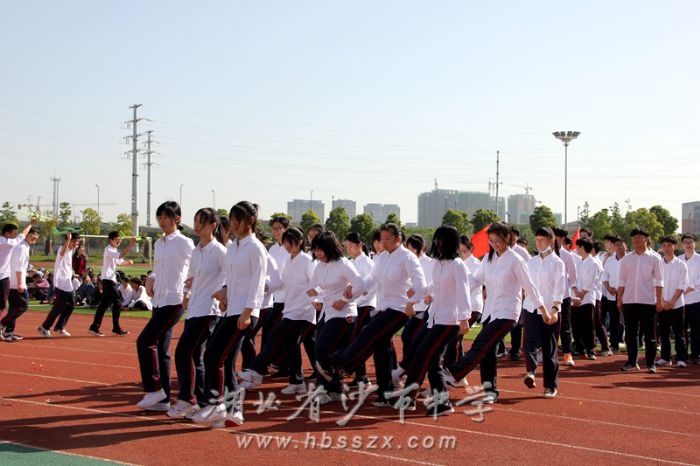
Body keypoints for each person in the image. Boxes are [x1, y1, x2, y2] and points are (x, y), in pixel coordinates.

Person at [324, 223, 426, 407]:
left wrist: (412, 302)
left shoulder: (407, 257)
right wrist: (352, 292)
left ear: (398, 239)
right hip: (384, 307)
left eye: (387, 239)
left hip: (399, 308)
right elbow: (370, 280)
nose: (383, 242)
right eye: (382, 239)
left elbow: (420, 282)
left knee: (367, 333)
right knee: (381, 348)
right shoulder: (381, 258)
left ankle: (339, 364)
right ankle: (385, 394)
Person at [445, 223, 547, 403]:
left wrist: (543, 309)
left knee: (480, 344)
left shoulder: (516, 260)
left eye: (498, 240)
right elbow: (475, 280)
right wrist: (455, 291)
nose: (494, 244)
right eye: (491, 241)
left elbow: (530, 286)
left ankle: (453, 374)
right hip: (490, 311)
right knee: (487, 352)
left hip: (508, 312)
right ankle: (490, 392)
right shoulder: (488, 258)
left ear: (507, 238)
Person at [192, 201, 267, 427]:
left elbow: (258, 283)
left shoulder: (256, 249)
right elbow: (233, 278)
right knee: (225, 361)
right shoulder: (233, 247)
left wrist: (247, 312)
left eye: (237, 221)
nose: (232, 225)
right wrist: (225, 292)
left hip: (244, 313)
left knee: (212, 355)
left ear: (250, 221)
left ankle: (216, 405)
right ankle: (235, 411)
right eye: (231, 221)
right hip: (232, 310)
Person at [401, 225, 472, 416]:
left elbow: (463, 292)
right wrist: (420, 292)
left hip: (449, 321)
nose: (437, 243)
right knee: (432, 361)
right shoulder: (439, 263)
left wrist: (464, 318)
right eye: (436, 240)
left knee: (423, 354)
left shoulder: (457, 264)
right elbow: (434, 285)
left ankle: (409, 397)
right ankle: (442, 403)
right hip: (434, 318)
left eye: (440, 240)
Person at [240, 227, 316, 395]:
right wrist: (265, 287)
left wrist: (316, 301)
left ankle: (256, 369)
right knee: (291, 345)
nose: (287, 246)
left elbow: (315, 284)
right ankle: (297, 381)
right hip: (290, 308)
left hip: (302, 311)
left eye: (290, 242)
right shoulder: (289, 260)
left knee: (275, 336)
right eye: (285, 243)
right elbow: (281, 282)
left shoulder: (306, 260)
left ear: (300, 242)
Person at [167, 208, 226, 419]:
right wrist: (187, 292)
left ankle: (187, 399)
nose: (197, 226)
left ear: (213, 226)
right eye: (196, 221)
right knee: (194, 356)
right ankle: (201, 402)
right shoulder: (196, 251)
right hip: (194, 308)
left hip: (208, 309)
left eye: (202, 222)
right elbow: (191, 276)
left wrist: (223, 293)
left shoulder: (220, 252)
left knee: (183, 351)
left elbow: (229, 277)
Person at [136, 201, 194, 411]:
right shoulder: (159, 244)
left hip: (174, 300)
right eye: (159, 217)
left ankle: (154, 388)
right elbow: (158, 268)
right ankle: (163, 399)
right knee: (161, 349)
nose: (162, 221)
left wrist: (187, 292)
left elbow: (196, 267)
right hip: (159, 300)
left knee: (145, 341)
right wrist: (151, 278)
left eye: (166, 217)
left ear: (177, 219)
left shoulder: (185, 242)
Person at [307, 231, 367, 402]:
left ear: (329, 248)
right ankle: (334, 390)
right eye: (315, 250)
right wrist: (315, 300)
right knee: (323, 351)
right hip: (326, 313)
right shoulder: (320, 266)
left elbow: (361, 285)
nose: (317, 254)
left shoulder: (343, 264)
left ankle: (329, 384)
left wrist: (344, 300)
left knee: (321, 349)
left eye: (320, 250)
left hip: (344, 315)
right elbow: (312, 287)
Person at [523, 227, 565, 398]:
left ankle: (550, 385)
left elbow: (559, 288)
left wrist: (555, 309)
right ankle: (531, 371)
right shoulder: (531, 262)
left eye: (542, 240)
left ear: (551, 241)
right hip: (531, 308)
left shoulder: (557, 263)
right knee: (530, 342)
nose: (539, 243)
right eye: (537, 240)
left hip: (550, 310)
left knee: (549, 348)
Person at [617, 228, 663, 373]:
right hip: (629, 300)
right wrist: (619, 298)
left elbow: (659, 282)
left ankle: (651, 364)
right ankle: (632, 362)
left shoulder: (655, 258)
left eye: (639, 237)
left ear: (646, 239)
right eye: (634, 237)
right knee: (630, 333)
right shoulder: (626, 259)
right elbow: (621, 281)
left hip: (648, 301)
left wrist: (659, 300)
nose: (636, 240)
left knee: (650, 334)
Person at [89, 231, 137, 336]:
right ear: (110, 240)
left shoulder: (113, 250)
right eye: (116, 239)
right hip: (108, 280)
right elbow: (120, 256)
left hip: (109, 279)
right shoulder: (109, 249)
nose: (119, 241)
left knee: (104, 304)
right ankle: (116, 328)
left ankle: (94, 327)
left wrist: (128, 263)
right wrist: (131, 245)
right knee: (117, 302)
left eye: (119, 239)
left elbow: (120, 262)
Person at [344, 231, 376, 387]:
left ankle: (362, 376)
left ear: (360, 245)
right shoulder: (350, 262)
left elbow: (371, 287)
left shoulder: (367, 263)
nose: (349, 248)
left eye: (351, 245)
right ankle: (360, 375)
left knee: (357, 339)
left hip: (365, 306)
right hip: (354, 305)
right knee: (354, 339)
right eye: (346, 246)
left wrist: (357, 301)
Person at [0, 227, 40, 341]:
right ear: (26, 234)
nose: (35, 237)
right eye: (33, 234)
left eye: (37, 235)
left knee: (14, 307)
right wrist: (20, 283)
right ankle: (2, 324)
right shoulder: (22, 247)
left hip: (12, 281)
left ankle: (8, 332)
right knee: (23, 306)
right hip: (16, 283)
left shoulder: (22, 246)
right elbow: (19, 267)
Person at [38, 232, 81, 337]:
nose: (76, 244)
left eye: (77, 242)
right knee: (59, 307)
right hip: (60, 283)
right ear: (68, 241)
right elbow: (62, 254)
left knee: (70, 305)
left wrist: (71, 273)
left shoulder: (71, 251)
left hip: (67, 283)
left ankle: (60, 326)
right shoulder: (62, 249)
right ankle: (44, 327)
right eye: (75, 241)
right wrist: (68, 239)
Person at [657, 235, 689, 367]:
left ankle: (681, 358)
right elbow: (655, 283)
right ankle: (665, 358)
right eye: (664, 245)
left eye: (670, 245)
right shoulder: (658, 264)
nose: (667, 248)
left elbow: (682, 285)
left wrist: (671, 302)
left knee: (678, 333)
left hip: (677, 304)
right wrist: (662, 301)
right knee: (663, 333)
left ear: (675, 247)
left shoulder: (681, 265)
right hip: (662, 304)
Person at [571, 238, 601, 360]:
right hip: (576, 298)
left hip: (587, 298)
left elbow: (590, 281)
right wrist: (575, 291)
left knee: (588, 325)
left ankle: (590, 350)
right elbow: (572, 278)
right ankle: (580, 348)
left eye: (578, 247)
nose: (576, 249)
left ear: (583, 247)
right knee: (576, 325)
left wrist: (582, 294)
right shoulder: (578, 261)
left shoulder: (593, 263)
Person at [553, 227, 578, 366]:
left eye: (556, 237)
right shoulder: (545, 254)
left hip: (563, 296)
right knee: (548, 324)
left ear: (562, 239)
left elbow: (573, 276)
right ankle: (549, 351)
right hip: (549, 296)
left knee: (565, 325)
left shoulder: (566, 255)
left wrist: (563, 285)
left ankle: (567, 353)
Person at [601, 236, 627, 352]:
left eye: (621, 244)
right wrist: (608, 287)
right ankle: (614, 344)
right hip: (612, 294)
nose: (619, 247)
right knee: (614, 320)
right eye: (617, 245)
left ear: (625, 245)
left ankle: (631, 343)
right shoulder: (610, 261)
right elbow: (605, 277)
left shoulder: (629, 260)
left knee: (629, 320)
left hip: (627, 295)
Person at [680, 233, 700, 364]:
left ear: (695, 244)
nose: (688, 244)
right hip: (680, 301)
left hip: (696, 300)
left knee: (696, 329)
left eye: (690, 241)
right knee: (681, 330)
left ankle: (695, 355)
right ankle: (682, 355)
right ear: (682, 244)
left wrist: (689, 288)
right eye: (686, 242)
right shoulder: (678, 259)